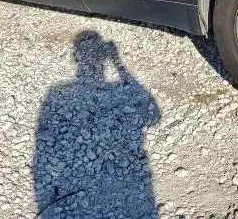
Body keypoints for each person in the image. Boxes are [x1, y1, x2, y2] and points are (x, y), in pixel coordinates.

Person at [33, 31, 160, 218]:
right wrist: (119, 64)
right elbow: (154, 118)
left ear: (75, 57)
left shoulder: (56, 92)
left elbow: (40, 156)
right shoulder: (57, 92)